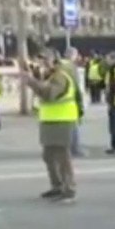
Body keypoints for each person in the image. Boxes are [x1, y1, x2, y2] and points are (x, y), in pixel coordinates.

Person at [22, 55, 78, 203]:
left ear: (55, 62)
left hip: (62, 120)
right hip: (50, 120)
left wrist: (32, 82)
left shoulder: (60, 76)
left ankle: (68, 189)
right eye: (40, 61)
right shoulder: (50, 76)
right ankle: (57, 186)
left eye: (45, 60)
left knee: (62, 156)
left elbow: (50, 94)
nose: (42, 64)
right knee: (48, 155)